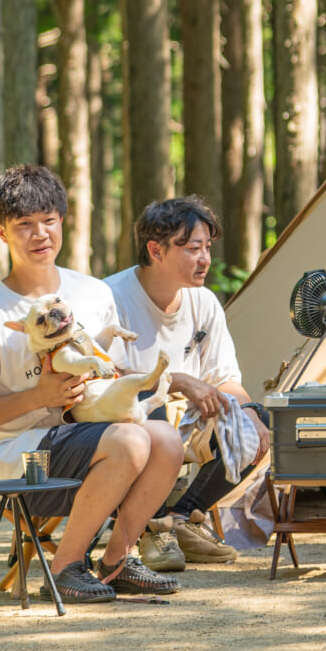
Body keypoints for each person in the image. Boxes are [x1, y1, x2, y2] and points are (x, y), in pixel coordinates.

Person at [0, 165, 183, 604]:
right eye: (24, 225)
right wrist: (39, 397)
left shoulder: (93, 292)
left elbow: (109, 368)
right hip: (22, 456)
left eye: (48, 220)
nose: (40, 234)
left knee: (167, 440)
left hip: (89, 432)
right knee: (130, 442)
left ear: (63, 220)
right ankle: (63, 570)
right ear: (1, 232)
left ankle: (116, 561)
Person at [104, 196, 267, 571]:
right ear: (155, 250)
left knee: (255, 422)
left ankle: (183, 518)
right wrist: (176, 380)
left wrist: (251, 413)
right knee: (152, 397)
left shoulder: (204, 303)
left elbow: (225, 377)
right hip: (121, 427)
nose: (206, 258)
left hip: (187, 423)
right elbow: (102, 378)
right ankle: (153, 525)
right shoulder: (112, 298)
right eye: (194, 248)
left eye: (208, 248)